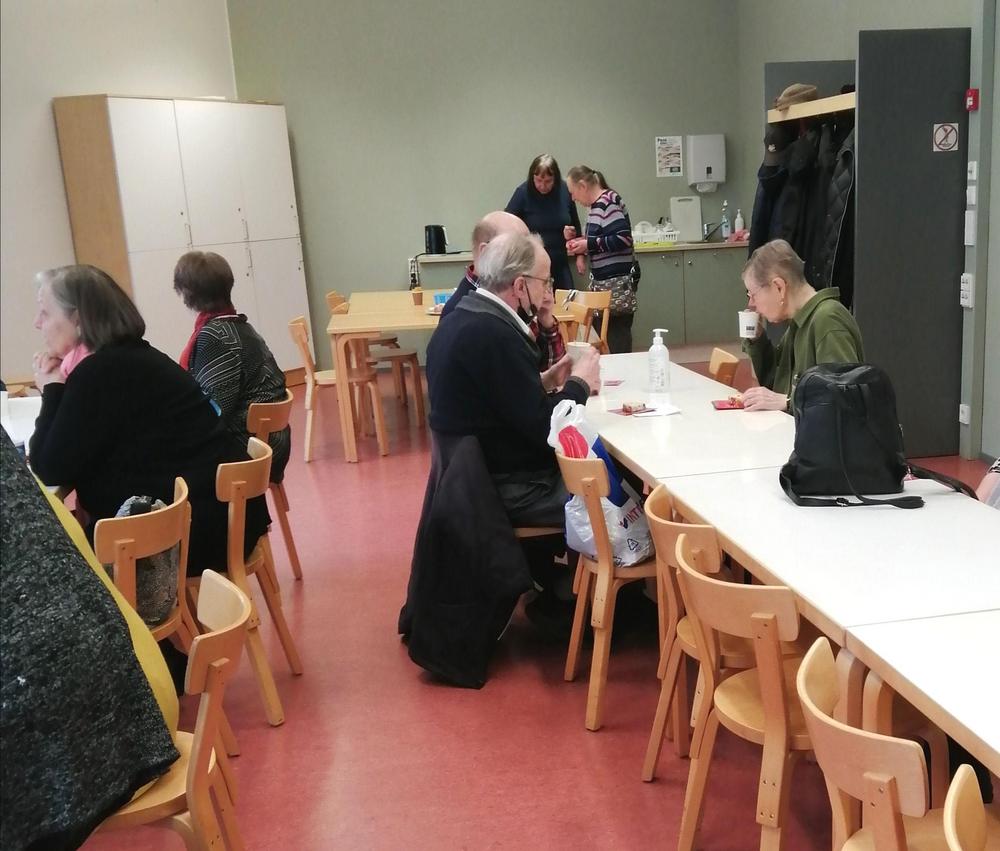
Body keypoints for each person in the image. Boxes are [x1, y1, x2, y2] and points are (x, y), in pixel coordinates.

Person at [28, 264, 269, 572]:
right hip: (223, 516)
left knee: (47, 562)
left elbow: (49, 468)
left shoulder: (99, 372)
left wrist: (51, 390)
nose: (37, 323)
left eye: (45, 313)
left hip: (193, 534)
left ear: (77, 319)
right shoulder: (132, 356)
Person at [426, 233, 600, 586]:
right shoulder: (497, 336)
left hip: (474, 476)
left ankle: (553, 582)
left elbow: (497, 401)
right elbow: (547, 431)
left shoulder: (463, 317)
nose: (548, 290)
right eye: (544, 282)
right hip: (509, 487)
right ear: (520, 286)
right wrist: (579, 384)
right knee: (612, 485)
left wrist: (543, 381)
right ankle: (608, 596)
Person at [174, 250, 291, 482]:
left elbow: (213, 412)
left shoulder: (215, 336)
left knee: (164, 463)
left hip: (253, 450)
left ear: (188, 294)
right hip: (272, 442)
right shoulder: (240, 326)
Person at [740, 239, 864, 411]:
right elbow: (775, 384)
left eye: (753, 294)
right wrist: (757, 340)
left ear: (779, 287)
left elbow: (844, 397)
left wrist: (789, 401)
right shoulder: (799, 323)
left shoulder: (828, 319)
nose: (751, 304)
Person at [440, 211, 566, 376]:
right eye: (517, 246)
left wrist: (546, 321)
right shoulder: (468, 312)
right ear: (485, 251)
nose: (531, 254)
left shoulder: (518, 294)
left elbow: (548, 371)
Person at [565, 165, 639, 354]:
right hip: (603, 285)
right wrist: (579, 243)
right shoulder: (595, 207)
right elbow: (600, 240)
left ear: (583, 186)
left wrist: (588, 244)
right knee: (606, 337)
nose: (573, 198)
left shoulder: (608, 202)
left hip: (616, 286)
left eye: (573, 192)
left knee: (616, 339)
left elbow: (623, 238)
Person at [505, 154, 584, 290]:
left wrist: (579, 254)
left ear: (555, 179)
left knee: (567, 300)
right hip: (532, 266)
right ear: (532, 177)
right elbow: (506, 224)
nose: (542, 186)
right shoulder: (522, 192)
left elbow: (575, 225)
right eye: (538, 180)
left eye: (548, 181)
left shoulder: (565, 190)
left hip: (559, 262)